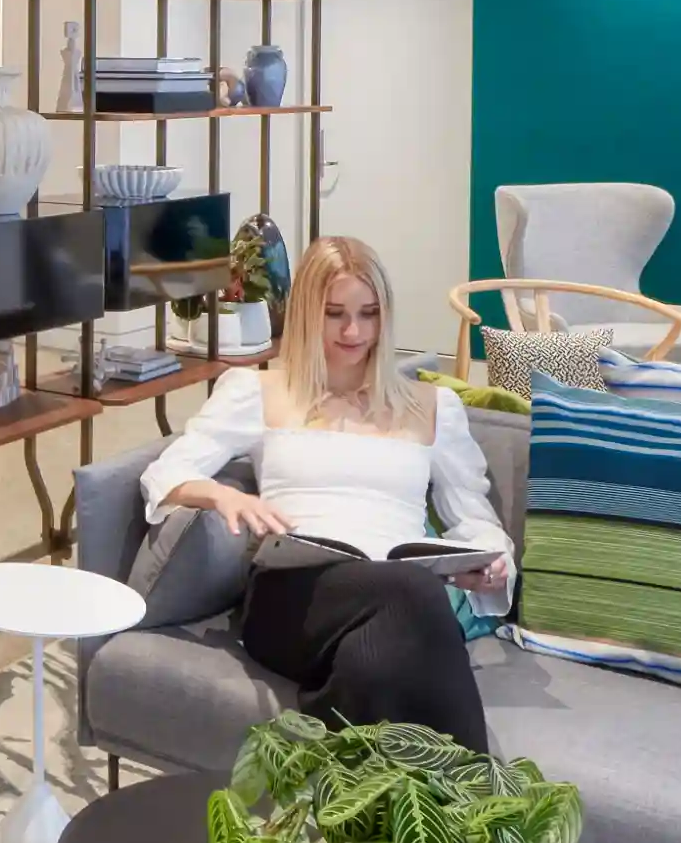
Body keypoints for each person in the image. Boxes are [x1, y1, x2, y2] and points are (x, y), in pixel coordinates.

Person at [138, 234, 512, 750]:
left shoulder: (433, 408)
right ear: (306, 314)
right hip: (293, 596)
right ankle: (476, 788)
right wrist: (224, 497)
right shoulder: (257, 392)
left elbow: (474, 516)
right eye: (334, 314)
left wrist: (489, 562)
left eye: (368, 314)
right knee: (413, 593)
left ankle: (345, 775)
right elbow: (165, 474)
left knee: (377, 657)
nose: (353, 331)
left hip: (398, 593)